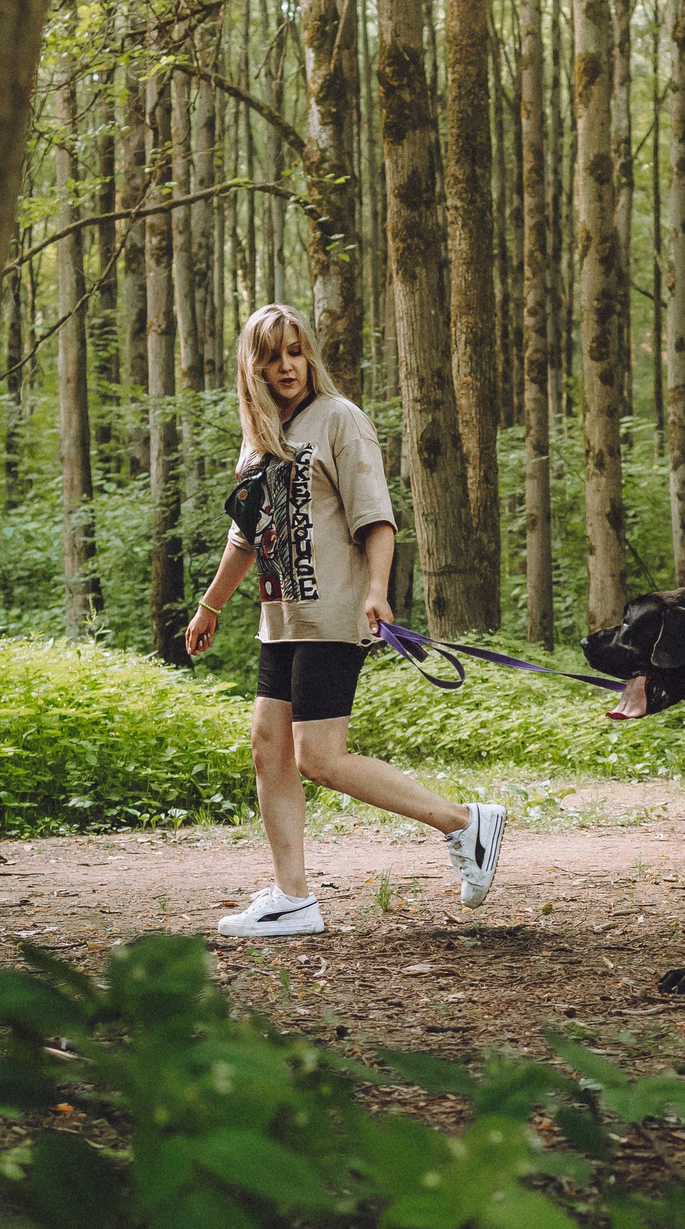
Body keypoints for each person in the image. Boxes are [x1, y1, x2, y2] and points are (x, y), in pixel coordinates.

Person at [185, 304, 506, 937]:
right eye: (273, 357)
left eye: (296, 352)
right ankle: (293, 896)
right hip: (281, 620)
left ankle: (465, 823)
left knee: (319, 758)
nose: (288, 367)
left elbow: (376, 518)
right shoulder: (258, 440)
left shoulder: (341, 419)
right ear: (253, 368)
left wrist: (378, 591)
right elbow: (244, 538)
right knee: (268, 749)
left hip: (333, 614)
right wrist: (210, 605)